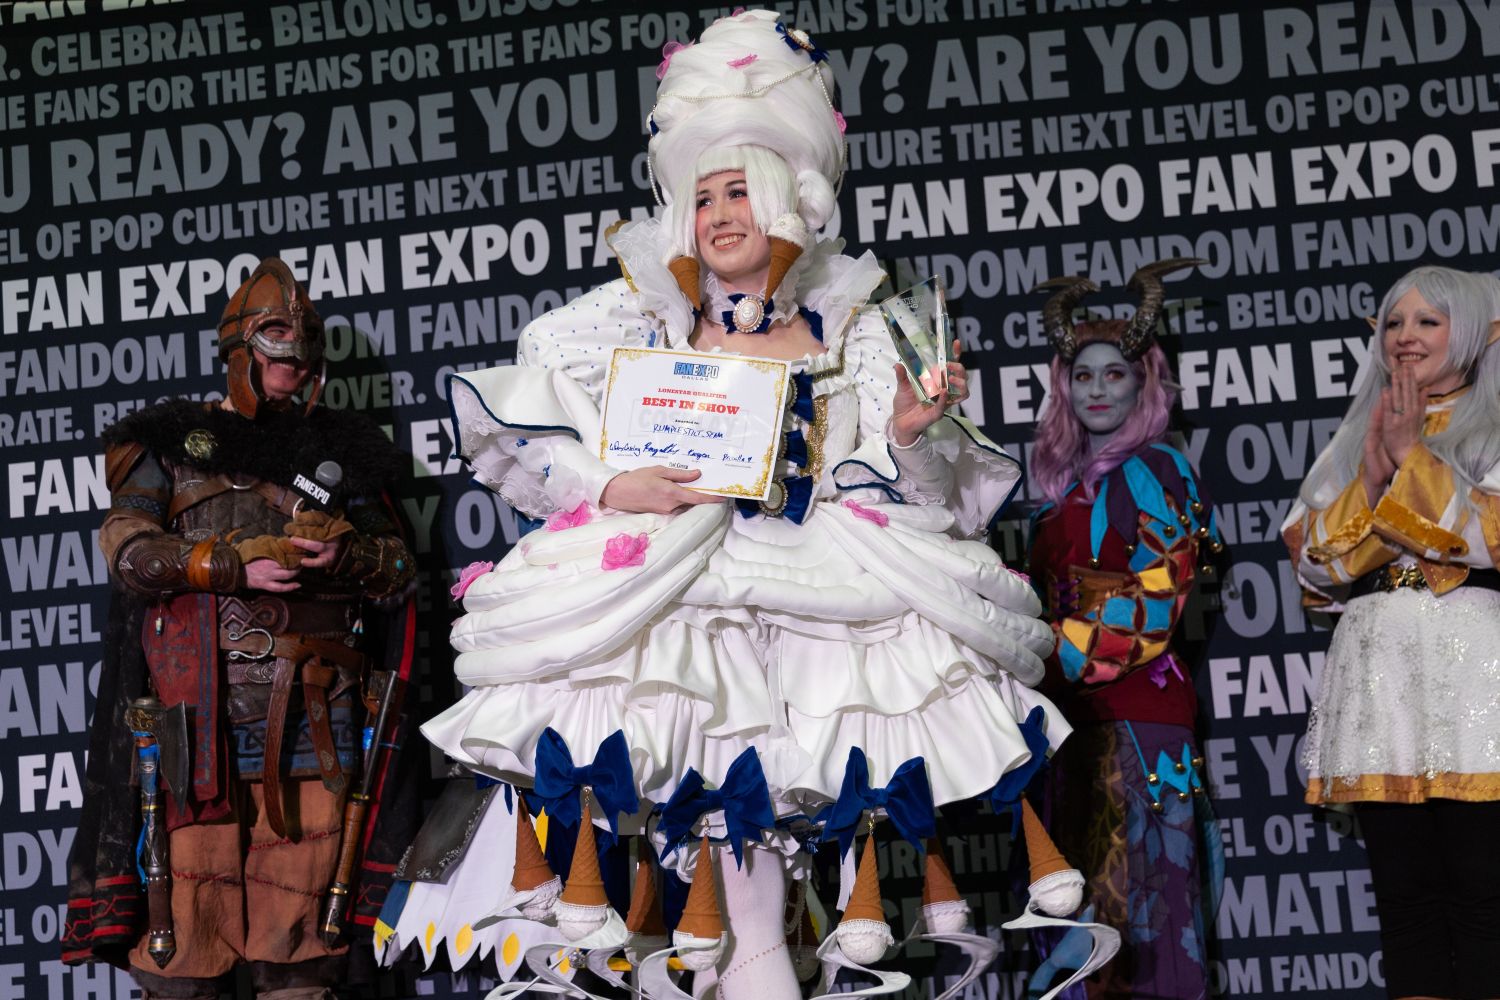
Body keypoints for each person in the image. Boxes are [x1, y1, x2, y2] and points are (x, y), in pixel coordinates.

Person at [395, 10, 1061, 996]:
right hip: (683, 588)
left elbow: (943, 502)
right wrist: (622, 484)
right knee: (724, 839)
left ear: (793, 198)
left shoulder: (863, 328)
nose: (720, 211)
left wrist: (913, 436)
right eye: (702, 194)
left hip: (831, 591)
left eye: (741, 187)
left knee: (817, 838)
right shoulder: (634, 321)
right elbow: (530, 426)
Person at [64, 258, 418, 1000]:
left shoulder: (343, 452)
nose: (293, 359)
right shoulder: (168, 444)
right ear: (239, 353)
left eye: (302, 344)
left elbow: (397, 573)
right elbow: (128, 551)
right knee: (184, 938)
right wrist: (229, 568)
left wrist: (346, 552)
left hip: (315, 724)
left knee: (301, 951)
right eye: (275, 340)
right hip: (198, 728)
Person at [1284, 265, 1500, 1000]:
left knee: (1481, 893)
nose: (1404, 337)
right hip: (1380, 674)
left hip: (1477, 669)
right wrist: (1374, 477)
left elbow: (1492, 536)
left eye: (1427, 322)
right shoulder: (1357, 432)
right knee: (1404, 896)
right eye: (1394, 321)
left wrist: (1412, 460)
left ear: (1476, 331)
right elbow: (1315, 565)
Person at [1024, 261, 1221, 999]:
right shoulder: (1067, 485)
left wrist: (1046, 651)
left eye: (1115, 374)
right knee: (1082, 916)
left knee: (1148, 922)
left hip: (1137, 720)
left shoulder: (1156, 470)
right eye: (1083, 375)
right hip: (1070, 724)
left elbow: (1153, 603)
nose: (1098, 389)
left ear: (1146, 384)